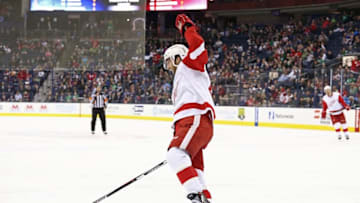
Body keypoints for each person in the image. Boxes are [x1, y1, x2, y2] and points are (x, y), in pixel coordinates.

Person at [164, 14, 215, 203]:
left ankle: (197, 197)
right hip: (195, 122)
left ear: (179, 57)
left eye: (169, 60)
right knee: (195, 168)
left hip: (195, 119)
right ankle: (205, 198)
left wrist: (187, 27)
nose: (168, 65)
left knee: (175, 155)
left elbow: (199, 47)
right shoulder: (184, 76)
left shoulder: (188, 65)